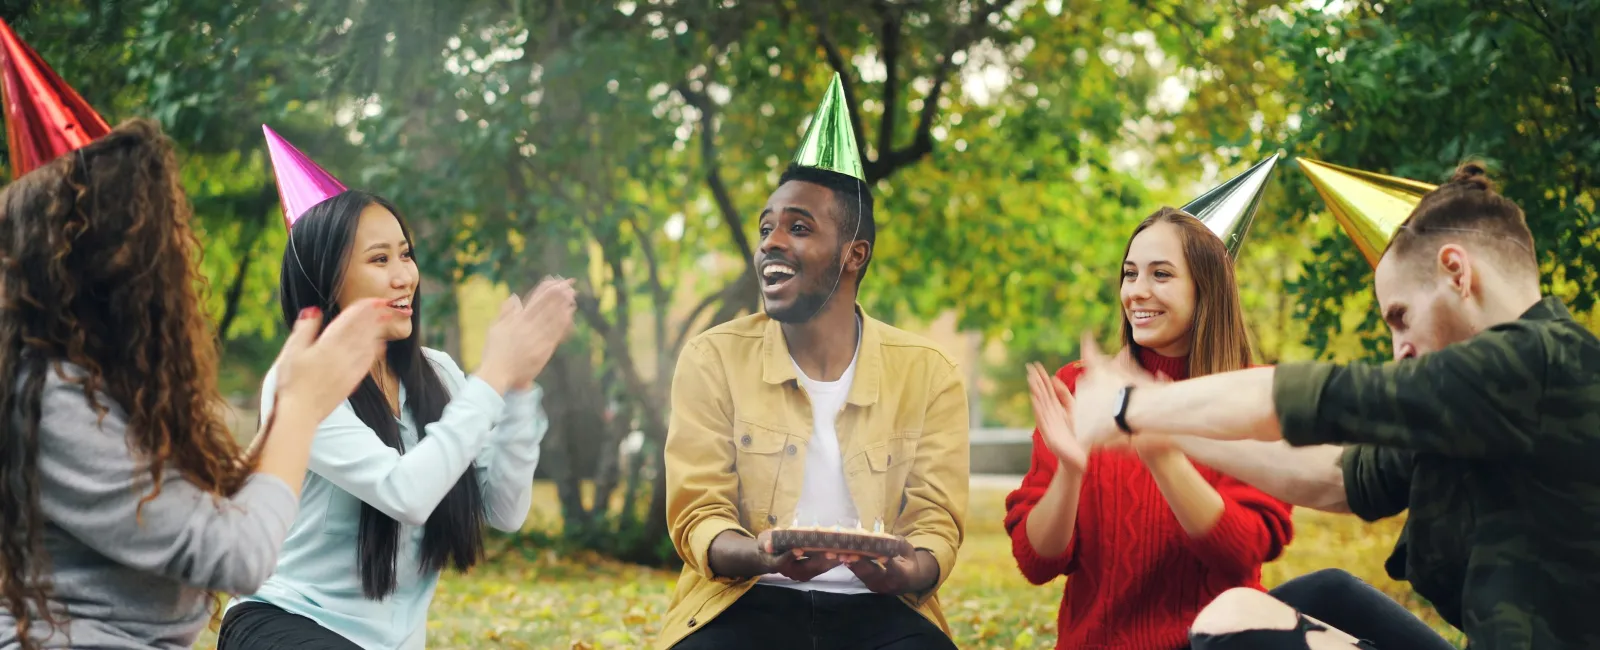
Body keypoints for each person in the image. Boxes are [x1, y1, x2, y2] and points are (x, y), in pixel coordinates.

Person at [1068, 162, 1600, 650]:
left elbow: (1315, 398)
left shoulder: (1541, 360)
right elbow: (1335, 478)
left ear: (1457, 273)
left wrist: (1131, 404)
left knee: (1234, 618)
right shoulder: (1476, 405)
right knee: (1322, 594)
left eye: (1400, 317)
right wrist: (1162, 433)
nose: (1401, 350)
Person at [0, 118, 395, 650]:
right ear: (112, 258)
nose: (180, 252)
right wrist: (301, 406)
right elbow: (237, 556)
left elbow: (191, 509)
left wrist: (285, 417)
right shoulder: (52, 396)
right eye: (160, 233)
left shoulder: (96, 381)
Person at [216, 129, 577, 650]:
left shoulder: (439, 375)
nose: (404, 275)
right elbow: (403, 493)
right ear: (328, 279)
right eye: (379, 260)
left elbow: (505, 510)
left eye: (405, 255)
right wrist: (494, 376)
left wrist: (518, 389)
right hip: (282, 621)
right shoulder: (301, 380)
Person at [658, 74, 968, 650]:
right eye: (767, 228)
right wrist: (758, 552)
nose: (772, 242)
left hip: (881, 611)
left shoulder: (929, 373)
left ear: (855, 254)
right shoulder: (712, 357)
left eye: (799, 228)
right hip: (743, 598)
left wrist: (908, 569)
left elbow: (936, 522)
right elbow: (699, 512)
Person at [1007, 206, 1294, 649]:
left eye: (1161, 275)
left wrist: (1160, 450)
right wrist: (1070, 470)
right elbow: (1036, 563)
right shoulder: (1079, 387)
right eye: (1130, 274)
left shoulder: (1256, 396)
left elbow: (1240, 557)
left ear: (1206, 288)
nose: (1137, 292)